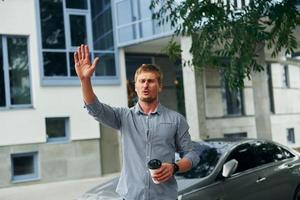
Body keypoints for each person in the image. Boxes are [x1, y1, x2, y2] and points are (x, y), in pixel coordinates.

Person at [74, 44, 199, 200]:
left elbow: (192, 154)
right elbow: (95, 108)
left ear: (159, 86)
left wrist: (174, 167)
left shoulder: (175, 119)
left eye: (151, 81)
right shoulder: (123, 116)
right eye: (142, 81)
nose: (145, 85)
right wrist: (85, 80)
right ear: (136, 86)